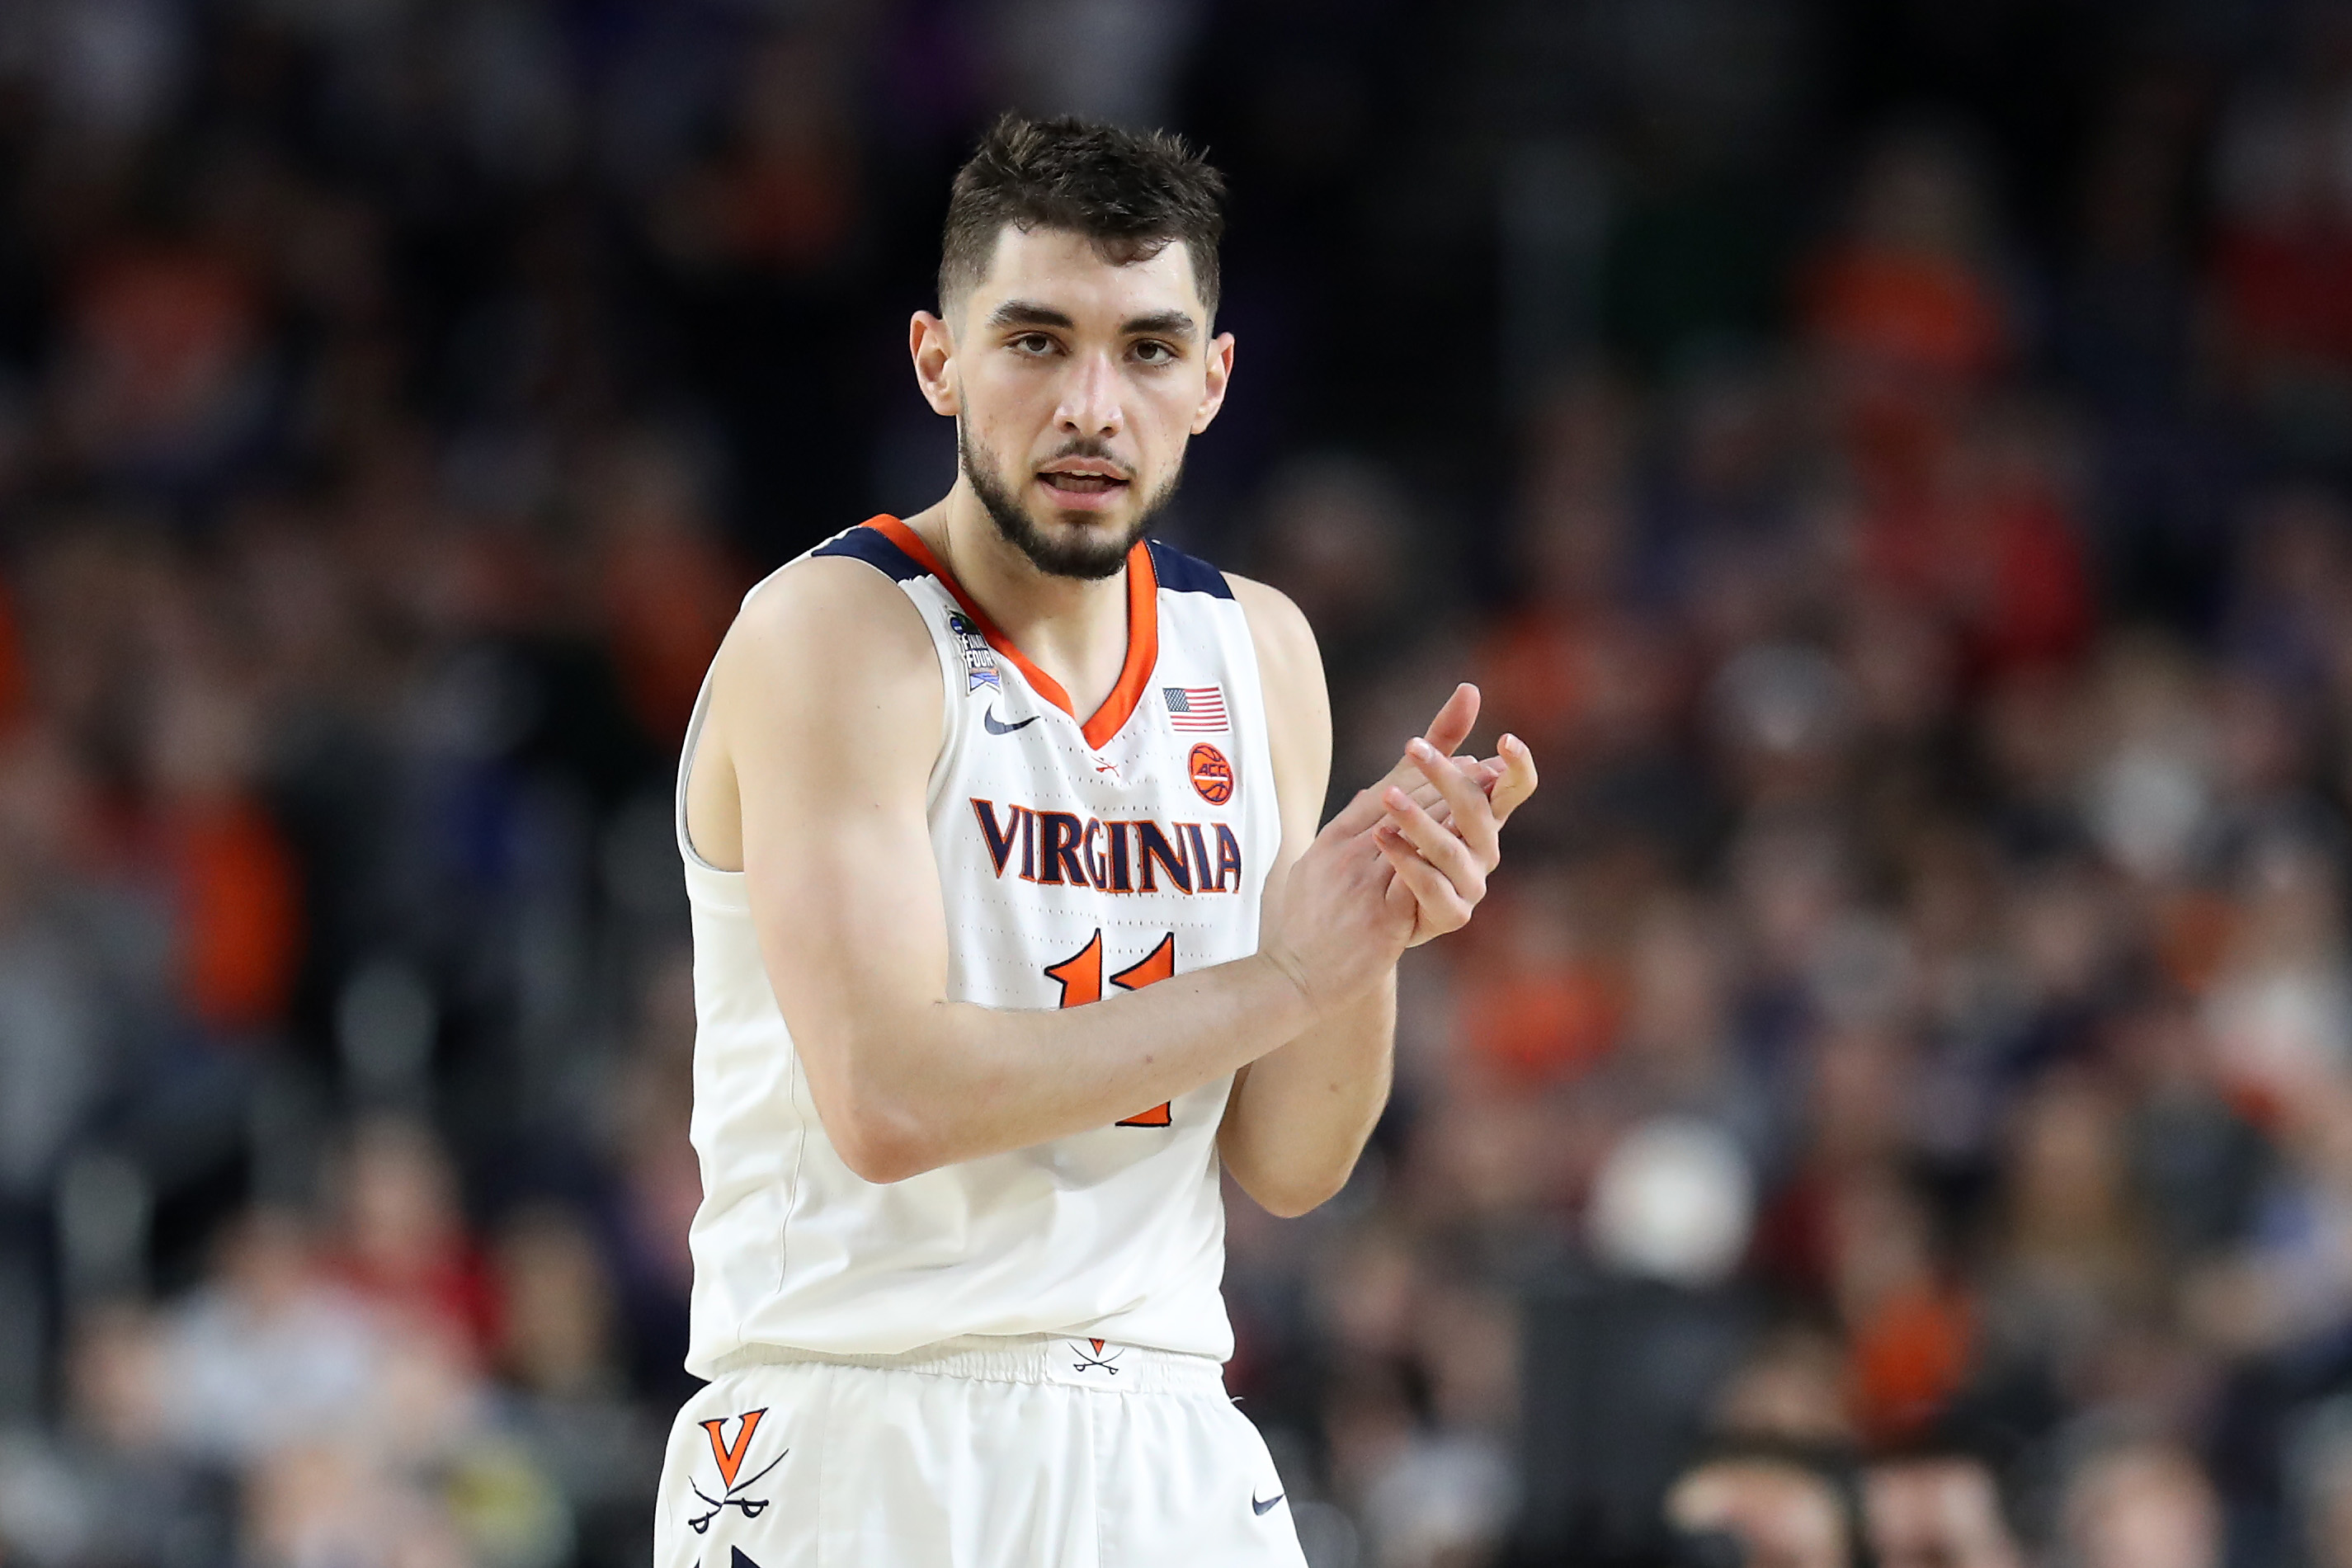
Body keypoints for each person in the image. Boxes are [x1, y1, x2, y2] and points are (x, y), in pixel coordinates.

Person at [651, 113, 1537, 1568]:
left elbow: (1293, 1159)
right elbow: (887, 1102)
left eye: (1144, 349)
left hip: (1171, 1428)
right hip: (862, 1421)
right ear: (939, 359)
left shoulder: (1259, 650)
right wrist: (1287, 978)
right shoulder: (836, 633)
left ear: (1211, 378)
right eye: (1036, 341)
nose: (1090, 405)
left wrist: (1370, 927)